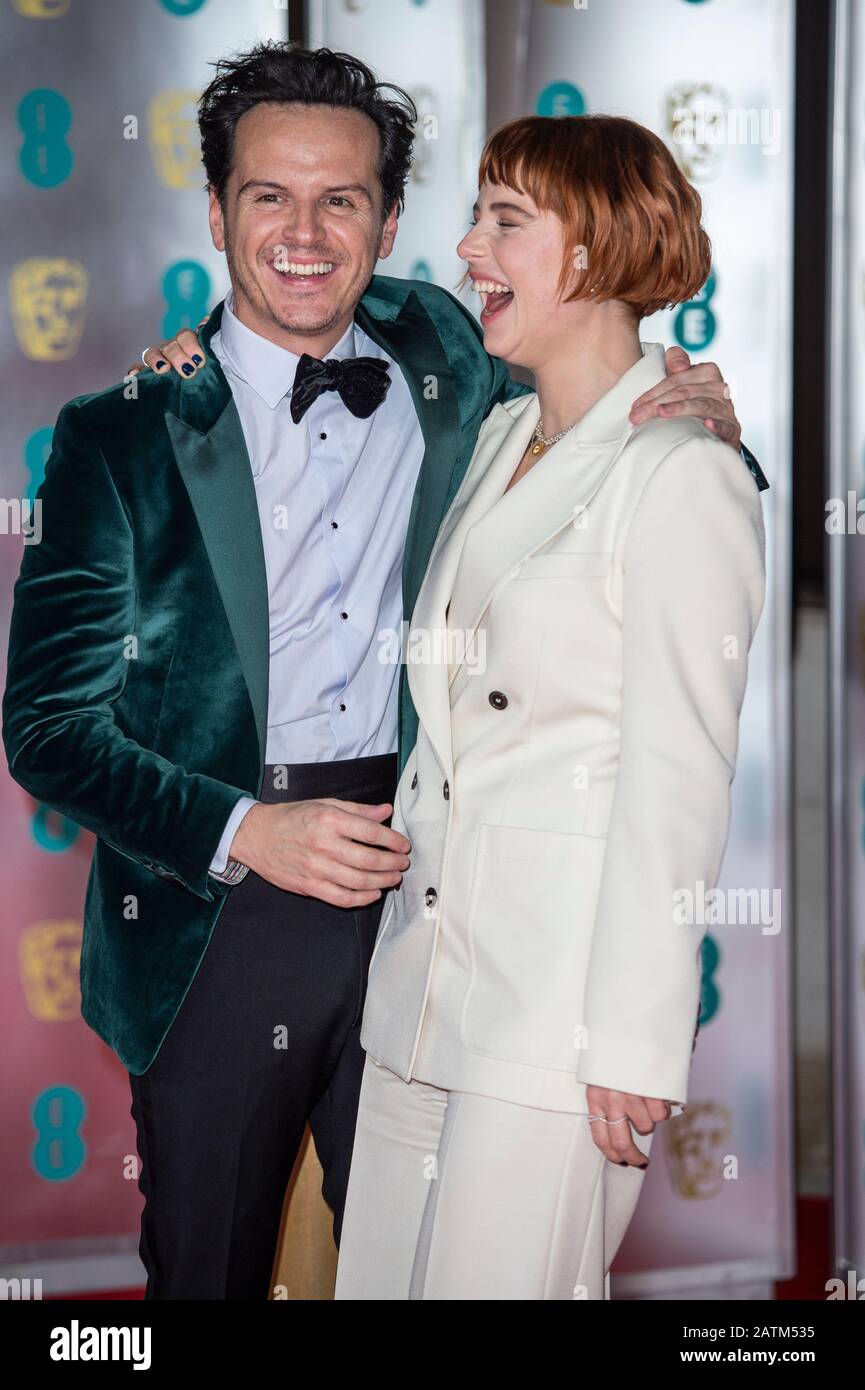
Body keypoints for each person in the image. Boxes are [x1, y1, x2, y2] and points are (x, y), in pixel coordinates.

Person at [3, 43, 764, 1302]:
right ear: (215, 211)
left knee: (445, 1267)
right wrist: (252, 831)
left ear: (388, 221)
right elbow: (48, 728)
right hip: (219, 907)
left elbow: (619, 433)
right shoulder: (120, 434)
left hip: (442, 897)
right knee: (208, 1272)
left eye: (341, 199)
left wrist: (710, 419)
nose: (304, 233)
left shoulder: (454, 351)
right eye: (268, 197)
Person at [331, 113, 767, 1301]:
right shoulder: (501, 431)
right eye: (476, 215)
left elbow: (679, 779)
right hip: (423, 984)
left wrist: (631, 1038)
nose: (467, 247)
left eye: (505, 221)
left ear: (597, 252)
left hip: (557, 1017)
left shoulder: (685, 473)